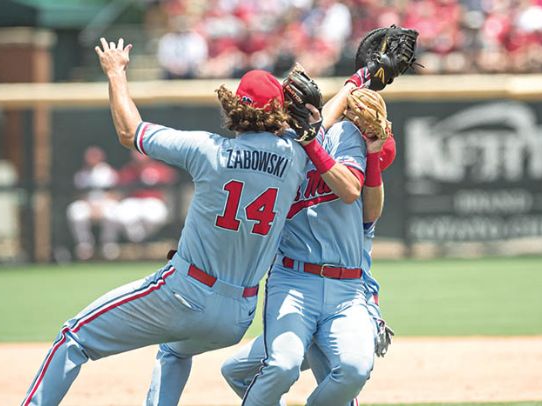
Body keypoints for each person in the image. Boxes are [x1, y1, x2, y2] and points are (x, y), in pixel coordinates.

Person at [21, 37, 314, 406]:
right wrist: (357, 82)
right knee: (174, 350)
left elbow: (131, 132)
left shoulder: (209, 149)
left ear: (235, 108)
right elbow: (316, 131)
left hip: (186, 293)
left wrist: (115, 73)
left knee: (73, 337)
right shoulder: (297, 156)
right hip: (238, 316)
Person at [223, 75, 394, 406]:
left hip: (346, 291)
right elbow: (314, 130)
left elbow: (350, 187)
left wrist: (335, 127)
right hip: (296, 282)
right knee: (245, 369)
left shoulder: (345, 149)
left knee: (351, 370)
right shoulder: (282, 151)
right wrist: (358, 78)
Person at [65, 146, 120, 260]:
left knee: (112, 212)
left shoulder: (108, 172)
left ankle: (109, 245)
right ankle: (85, 246)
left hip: (105, 203)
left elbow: (115, 193)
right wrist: (91, 206)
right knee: (75, 211)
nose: (91, 159)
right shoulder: (81, 174)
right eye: (89, 157)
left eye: (94, 156)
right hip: (88, 205)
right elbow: (79, 195)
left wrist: (100, 205)